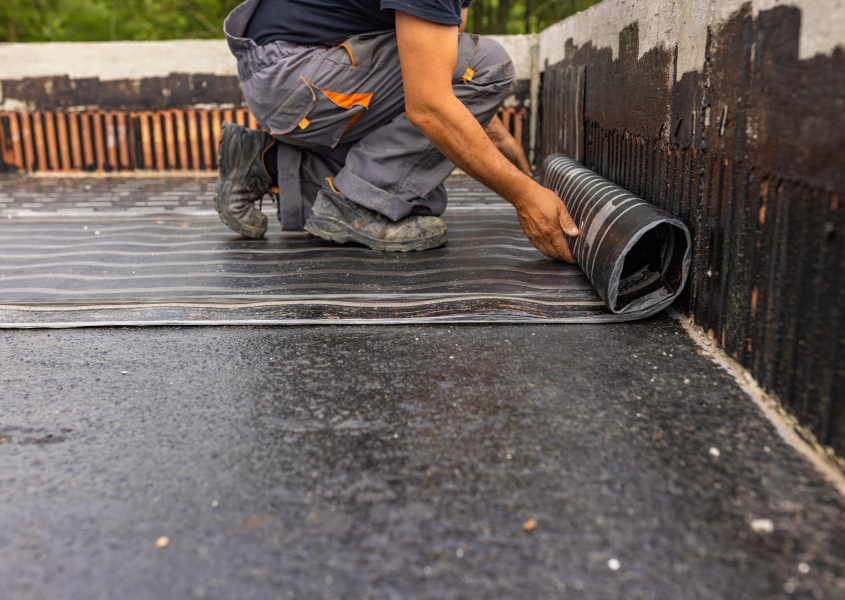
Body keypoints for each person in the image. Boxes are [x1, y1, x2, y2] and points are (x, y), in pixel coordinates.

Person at [215, 0, 579, 261]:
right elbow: (431, 104)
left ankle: (266, 163)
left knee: (416, 198)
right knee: (490, 63)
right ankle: (354, 205)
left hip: (295, 77)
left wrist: (492, 131)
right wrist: (524, 195)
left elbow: (442, 58)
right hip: (296, 76)